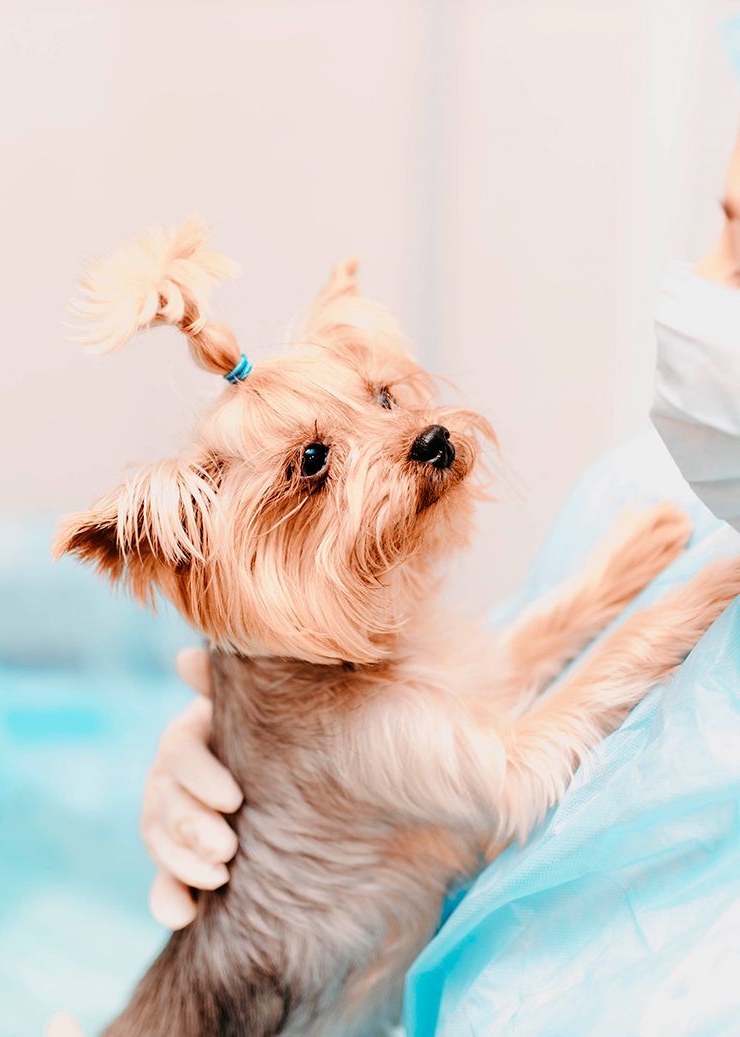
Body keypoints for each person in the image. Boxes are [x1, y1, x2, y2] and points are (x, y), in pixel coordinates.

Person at [140, 129, 740, 936]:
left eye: (387, 401)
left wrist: (675, 602)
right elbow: (502, 722)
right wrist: (604, 595)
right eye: (315, 463)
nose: (417, 435)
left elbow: (509, 754)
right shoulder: (672, 472)